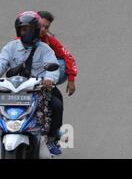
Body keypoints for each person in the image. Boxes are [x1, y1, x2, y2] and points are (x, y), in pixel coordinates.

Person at [0, 11, 63, 155]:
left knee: (56, 105)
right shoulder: (10, 47)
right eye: (22, 29)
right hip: (12, 91)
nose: (25, 32)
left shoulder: (45, 49)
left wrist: (49, 79)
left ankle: (51, 138)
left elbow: (53, 67)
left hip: (38, 90)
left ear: (35, 30)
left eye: (28, 29)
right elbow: (1, 63)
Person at [38, 11, 78, 96]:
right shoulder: (18, 42)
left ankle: (48, 86)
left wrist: (71, 79)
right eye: (41, 26)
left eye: (46, 27)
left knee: (57, 105)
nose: (43, 29)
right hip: (25, 81)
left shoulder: (50, 41)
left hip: (46, 79)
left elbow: (68, 56)